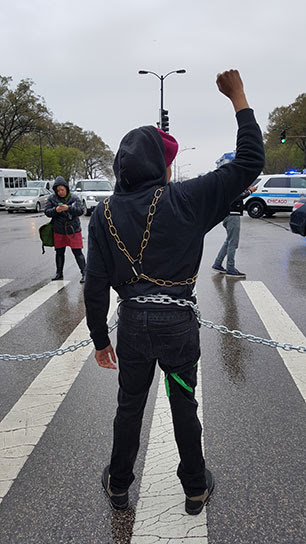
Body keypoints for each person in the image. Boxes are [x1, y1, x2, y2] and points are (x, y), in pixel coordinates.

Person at [84, 70, 265, 515]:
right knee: (183, 402)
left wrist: (99, 339)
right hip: (177, 324)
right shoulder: (186, 199)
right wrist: (238, 97)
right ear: (159, 164)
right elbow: (249, 162)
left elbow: (94, 284)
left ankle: (119, 486)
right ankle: (196, 486)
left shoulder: (103, 212)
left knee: (130, 406)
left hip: (133, 327)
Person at [45, 176, 86, 283]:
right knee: (59, 252)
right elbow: (47, 212)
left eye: (62, 190)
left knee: (77, 252)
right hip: (58, 229)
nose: (60, 192)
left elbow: (80, 211)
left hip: (73, 229)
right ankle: (59, 273)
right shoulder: (52, 199)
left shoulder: (74, 198)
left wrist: (69, 208)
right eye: (58, 190)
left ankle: (84, 273)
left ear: (66, 189)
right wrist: (56, 210)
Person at [212, 186, 257, 278]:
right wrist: (249, 191)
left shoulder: (228, 181)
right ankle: (230, 268)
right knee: (233, 243)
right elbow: (237, 196)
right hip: (233, 215)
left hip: (228, 215)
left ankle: (217, 263)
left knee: (228, 241)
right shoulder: (232, 183)